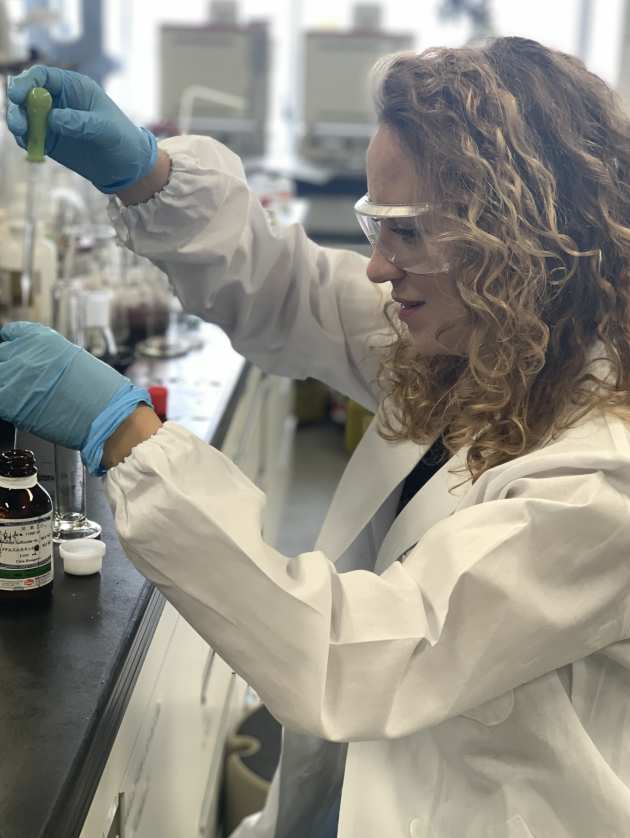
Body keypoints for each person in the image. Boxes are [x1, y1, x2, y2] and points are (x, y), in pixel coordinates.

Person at [5, 35, 630, 837]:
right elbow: (295, 291)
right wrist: (149, 175)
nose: (377, 267)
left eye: (407, 233)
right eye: (378, 226)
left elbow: (352, 654)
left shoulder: (602, 481)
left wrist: (130, 434)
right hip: (363, 790)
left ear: (517, 238)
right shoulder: (496, 343)